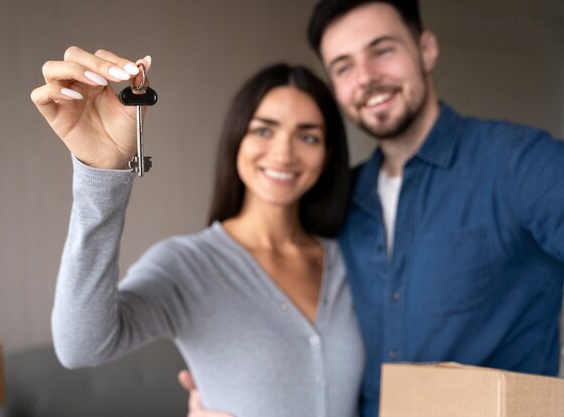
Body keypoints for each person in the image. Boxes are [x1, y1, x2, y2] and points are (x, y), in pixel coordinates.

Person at [185, 1, 564, 416]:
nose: (366, 78)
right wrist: (222, 394)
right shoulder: (336, 200)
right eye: (344, 66)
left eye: (382, 50)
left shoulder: (521, 164)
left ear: (427, 49)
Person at [30, 47, 366, 417]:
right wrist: (101, 174)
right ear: (236, 138)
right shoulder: (187, 266)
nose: (284, 153)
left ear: (329, 153)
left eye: (308, 136)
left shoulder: (352, 259)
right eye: (264, 130)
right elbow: (81, 347)